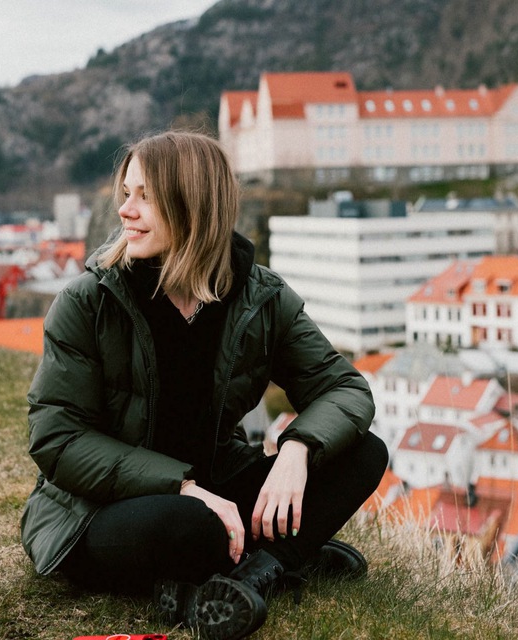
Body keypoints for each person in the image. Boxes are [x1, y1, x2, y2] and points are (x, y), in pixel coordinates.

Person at [21, 130, 389, 640]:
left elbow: (345, 389)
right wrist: (183, 486)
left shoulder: (262, 298)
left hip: (216, 488)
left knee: (365, 452)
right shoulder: (89, 302)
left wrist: (297, 450)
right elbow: (57, 439)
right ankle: (280, 556)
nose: (125, 210)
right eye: (126, 193)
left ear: (193, 204)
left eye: (145, 196)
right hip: (100, 511)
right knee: (192, 524)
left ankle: (258, 573)